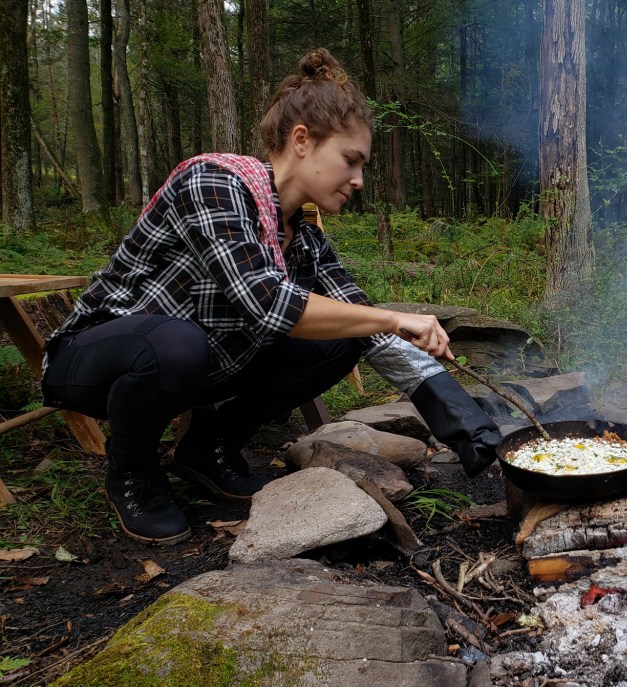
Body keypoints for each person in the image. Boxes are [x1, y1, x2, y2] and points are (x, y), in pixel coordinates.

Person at [41, 48, 501, 546]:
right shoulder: (213, 182)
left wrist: (465, 423)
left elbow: (365, 324)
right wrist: (392, 316)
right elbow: (268, 303)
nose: (359, 180)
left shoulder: (304, 238)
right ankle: (133, 472)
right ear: (302, 141)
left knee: (344, 338)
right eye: (351, 161)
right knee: (173, 344)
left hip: (195, 368)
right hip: (95, 362)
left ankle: (208, 448)